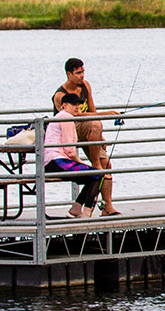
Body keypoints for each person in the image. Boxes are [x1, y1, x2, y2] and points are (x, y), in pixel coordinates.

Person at [52, 57, 121, 215]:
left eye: (83, 72)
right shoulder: (60, 95)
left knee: (107, 165)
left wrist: (100, 136)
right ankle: (95, 166)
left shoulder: (85, 85)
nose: (82, 76)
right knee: (98, 165)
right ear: (69, 74)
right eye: (78, 73)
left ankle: (107, 207)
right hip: (70, 129)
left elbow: (92, 111)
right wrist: (106, 114)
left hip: (88, 128)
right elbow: (74, 117)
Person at [45, 93, 105, 218]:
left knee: (93, 174)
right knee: (97, 174)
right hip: (57, 162)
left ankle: (77, 208)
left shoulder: (60, 116)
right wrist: (82, 163)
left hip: (52, 162)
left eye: (78, 104)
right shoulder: (66, 117)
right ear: (64, 105)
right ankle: (87, 212)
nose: (77, 107)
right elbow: (69, 150)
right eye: (74, 104)